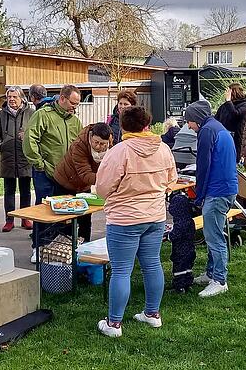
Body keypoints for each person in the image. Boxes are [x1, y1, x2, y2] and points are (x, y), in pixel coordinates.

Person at [95, 106, 177, 337]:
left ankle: (114, 324)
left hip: (125, 219)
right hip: (155, 216)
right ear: (147, 125)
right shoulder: (163, 148)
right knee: (152, 264)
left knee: (121, 271)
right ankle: (152, 314)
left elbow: (102, 189)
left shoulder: (119, 151)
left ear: (122, 126)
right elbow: (171, 179)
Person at [184, 100, 238, 298]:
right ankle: (211, 273)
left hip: (217, 192)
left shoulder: (207, 131)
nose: (188, 126)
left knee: (214, 237)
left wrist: (199, 195)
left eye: (189, 121)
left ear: (196, 119)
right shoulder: (218, 127)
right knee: (213, 233)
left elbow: (203, 165)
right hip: (227, 188)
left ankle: (220, 280)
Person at [23, 85, 82, 263]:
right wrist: (39, 164)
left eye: (77, 104)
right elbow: (29, 139)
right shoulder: (43, 115)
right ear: (62, 98)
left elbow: (80, 144)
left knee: (65, 213)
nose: (75, 107)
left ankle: (60, 248)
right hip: (45, 173)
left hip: (67, 175)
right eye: (72, 103)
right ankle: (38, 247)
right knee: (45, 211)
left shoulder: (74, 120)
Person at [53, 122, 112, 242]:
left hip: (84, 186)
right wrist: (108, 179)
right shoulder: (79, 146)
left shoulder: (111, 145)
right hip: (66, 181)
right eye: (96, 142)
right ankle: (66, 247)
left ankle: (85, 246)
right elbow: (85, 174)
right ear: (91, 136)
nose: (99, 146)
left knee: (85, 217)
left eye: (103, 144)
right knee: (67, 219)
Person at [0, 86, 35, 233]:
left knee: (25, 191)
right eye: (9, 97)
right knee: (9, 191)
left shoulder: (31, 113)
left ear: (21, 98)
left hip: (24, 158)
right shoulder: (2, 115)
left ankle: (25, 218)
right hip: (7, 159)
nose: (11, 100)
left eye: (14, 97)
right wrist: (1, 146)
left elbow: (36, 133)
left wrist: (27, 141)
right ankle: (9, 220)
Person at [214, 82, 246, 160]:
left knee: (233, 159)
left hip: (236, 137)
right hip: (223, 137)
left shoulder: (245, 105)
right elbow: (216, 120)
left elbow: (235, 114)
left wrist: (228, 101)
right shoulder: (224, 106)